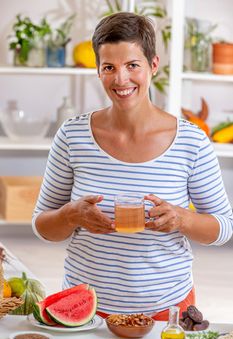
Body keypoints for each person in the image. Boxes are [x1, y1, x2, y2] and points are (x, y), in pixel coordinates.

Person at [32, 12, 233, 320]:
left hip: (167, 311)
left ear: (153, 65)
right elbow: (42, 225)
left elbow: (223, 227)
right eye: (109, 67)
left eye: (132, 65)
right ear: (98, 71)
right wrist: (72, 214)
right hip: (84, 308)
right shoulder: (72, 136)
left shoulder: (192, 141)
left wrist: (182, 219)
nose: (121, 79)